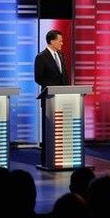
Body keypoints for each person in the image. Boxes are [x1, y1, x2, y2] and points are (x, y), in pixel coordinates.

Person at [34, 29, 70, 166]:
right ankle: (47, 159)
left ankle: (61, 156)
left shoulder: (60, 54)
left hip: (62, 99)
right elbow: (38, 77)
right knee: (49, 129)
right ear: (52, 41)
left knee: (61, 130)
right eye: (60, 40)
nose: (62, 43)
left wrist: (66, 91)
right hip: (49, 99)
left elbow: (64, 75)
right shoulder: (41, 57)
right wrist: (53, 89)